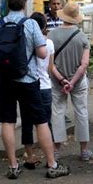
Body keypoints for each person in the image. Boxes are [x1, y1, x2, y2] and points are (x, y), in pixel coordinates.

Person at [0, 0, 70, 179]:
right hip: (28, 80)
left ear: (7, 5)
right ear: (24, 5)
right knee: (40, 121)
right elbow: (41, 53)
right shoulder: (30, 24)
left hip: (4, 80)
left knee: (7, 121)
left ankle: (13, 166)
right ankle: (52, 164)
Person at [48, 1, 93, 161]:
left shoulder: (52, 35)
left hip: (56, 81)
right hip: (78, 81)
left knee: (57, 113)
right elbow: (84, 65)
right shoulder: (82, 37)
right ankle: (84, 150)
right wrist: (72, 82)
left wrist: (62, 80)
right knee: (81, 112)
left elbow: (50, 64)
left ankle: (56, 150)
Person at [21, 12, 54, 170]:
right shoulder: (49, 43)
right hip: (45, 86)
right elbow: (50, 67)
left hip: (28, 85)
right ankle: (50, 158)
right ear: (44, 26)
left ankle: (30, 156)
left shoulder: (25, 42)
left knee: (27, 122)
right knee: (45, 123)